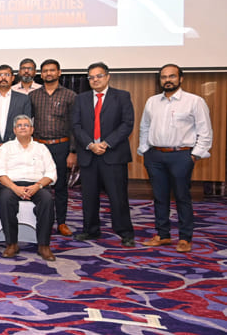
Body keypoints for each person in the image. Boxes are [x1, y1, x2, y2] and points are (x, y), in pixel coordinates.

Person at [138, 64, 212, 253]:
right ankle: (163, 234)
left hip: (181, 155)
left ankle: (185, 238)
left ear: (181, 78)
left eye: (172, 76)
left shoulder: (194, 101)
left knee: (182, 197)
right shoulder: (152, 101)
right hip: (155, 155)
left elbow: (205, 131)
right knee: (159, 197)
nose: (167, 80)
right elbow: (145, 127)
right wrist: (145, 149)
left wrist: (194, 155)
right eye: (164, 77)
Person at [72, 62, 136, 247]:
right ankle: (90, 229)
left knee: (118, 197)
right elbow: (76, 125)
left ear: (107, 76)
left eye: (99, 76)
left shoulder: (122, 96)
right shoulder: (81, 99)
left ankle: (125, 232)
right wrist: (90, 145)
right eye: (91, 77)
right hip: (89, 155)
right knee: (89, 197)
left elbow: (127, 124)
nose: (95, 80)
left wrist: (106, 143)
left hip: (113, 154)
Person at [0, 115, 57, 261]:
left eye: (26, 125)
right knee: (6, 199)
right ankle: (11, 244)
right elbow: (0, 174)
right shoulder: (5, 148)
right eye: (19, 125)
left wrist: (37, 186)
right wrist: (15, 188)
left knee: (47, 199)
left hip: (37, 185)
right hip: (11, 185)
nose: (23, 127)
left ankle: (43, 245)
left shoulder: (41, 148)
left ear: (32, 129)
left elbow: (51, 174)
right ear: (14, 130)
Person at [30, 59, 77, 237]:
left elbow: (75, 125)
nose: (48, 73)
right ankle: (42, 220)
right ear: (41, 74)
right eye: (45, 71)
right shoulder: (33, 96)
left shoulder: (70, 96)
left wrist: (72, 151)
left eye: (52, 70)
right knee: (39, 185)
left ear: (59, 73)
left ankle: (62, 222)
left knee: (61, 186)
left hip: (61, 146)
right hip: (38, 147)